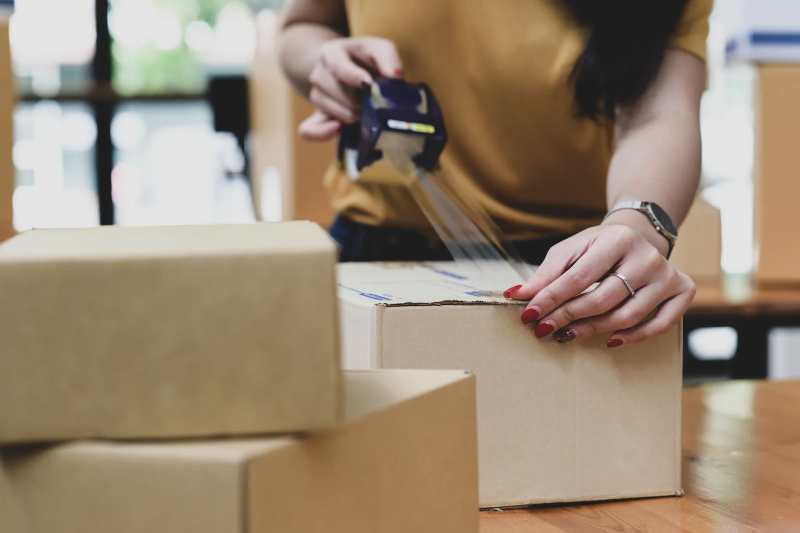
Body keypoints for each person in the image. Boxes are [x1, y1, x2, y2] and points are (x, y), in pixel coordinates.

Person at [279, 0, 712, 348]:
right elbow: (300, 27)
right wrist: (325, 61)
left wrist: (636, 224)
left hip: (567, 272)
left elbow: (660, 112)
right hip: (376, 250)